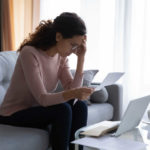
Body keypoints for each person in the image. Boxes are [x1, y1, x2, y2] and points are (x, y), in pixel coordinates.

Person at [0, 12, 94, 150]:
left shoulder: (61, 57)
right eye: (72, 45)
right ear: (58, 36)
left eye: (77, 47)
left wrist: (81, 58)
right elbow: (43, 99)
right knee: (63, 110)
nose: (73, 50)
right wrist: (74, 93)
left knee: (80, 105)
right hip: (13, 114)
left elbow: (71, 90)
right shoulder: (30, 53)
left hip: (37, 109)